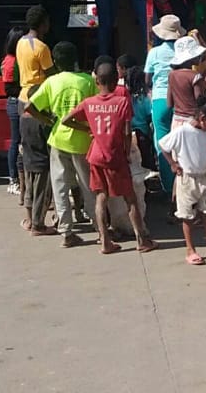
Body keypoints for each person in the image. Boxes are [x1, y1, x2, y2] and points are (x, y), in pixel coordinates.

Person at [63, 63, 157, 254]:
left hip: (96, 155)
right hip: (115, 155)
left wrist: (89, 129)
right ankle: (142, 240)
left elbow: (66, 120)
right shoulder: (122, 103)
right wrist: (125, 152)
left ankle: (105, 240)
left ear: (96, 81)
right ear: (116, 82)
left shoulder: (89, 103)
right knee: (130, 198)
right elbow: (125, 131)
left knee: (101, 197)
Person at [25, 41, 98, 248]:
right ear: (75, 60)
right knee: (88, 186)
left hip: (58, 139)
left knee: (60, 186)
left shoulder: (51, 82)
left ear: (55, 62)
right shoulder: (86, 81)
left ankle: (66, 232)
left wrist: (48, 121)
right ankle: (98, 226)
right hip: (83, 140)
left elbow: (30, 107)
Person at [159, 100, 206, 265]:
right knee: (187, 217)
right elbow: (163, 145)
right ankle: (190, 250)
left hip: (205, 177)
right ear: (203, 118)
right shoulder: (182, 131)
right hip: (187, 179)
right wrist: (173, 164)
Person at [145, 14, 185, 196]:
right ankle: (184, 186)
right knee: (182, 144)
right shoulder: (183, 51)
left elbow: (147, 78)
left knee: (163, 144)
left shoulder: (154, 52)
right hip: (181, 100)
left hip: (160, 100)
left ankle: (169, 188)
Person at [18, 102, 56, 236]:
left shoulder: (22, 118)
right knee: (41, 194)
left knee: (30, 192)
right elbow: (48, 141)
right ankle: (38, 226)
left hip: (28, 160)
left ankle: (29, 221)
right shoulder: (42, 121)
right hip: (41, 162)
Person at [1, 26, 27, 196]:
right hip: (16, 101)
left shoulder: (7, 59)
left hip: (13, 102)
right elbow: (10, 88)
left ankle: (16, 179)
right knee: (17, 141)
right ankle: (14, 179)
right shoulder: (13, 62)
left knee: (17, 141)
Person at [167, 36, 206, 130]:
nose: (199, 57)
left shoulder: (171, 75)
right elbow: (200, 101)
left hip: (176, 121)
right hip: (192, 121)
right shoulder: (195, 76)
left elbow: (169, 104)